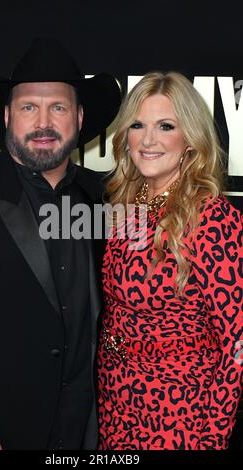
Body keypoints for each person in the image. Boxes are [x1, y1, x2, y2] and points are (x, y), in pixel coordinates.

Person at [0, 37, 121, 450]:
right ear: (7, 115)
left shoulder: (104, 198)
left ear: (78, 117)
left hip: (89, 432)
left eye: (58, 107)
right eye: (29, 107)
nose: (44, 121)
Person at [97, 71, 243, 450]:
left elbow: (236, 345)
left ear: (190, 140)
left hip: (180, 414)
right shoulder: (124, 207)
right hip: (115, 402)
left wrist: (210, 439)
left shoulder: (215, 219)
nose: (148, 140)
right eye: (137, 125)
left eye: (165, 126)